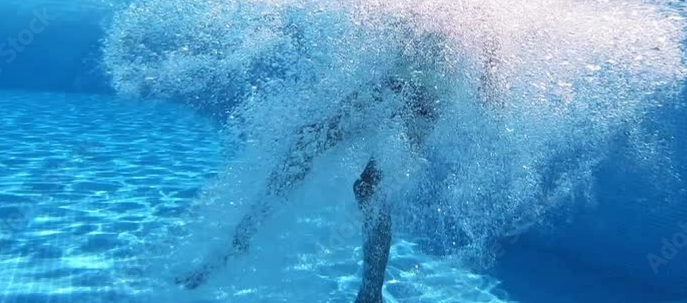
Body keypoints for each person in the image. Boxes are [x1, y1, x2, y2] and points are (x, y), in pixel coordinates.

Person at [176, 28, 496, 303]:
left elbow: (489, 64)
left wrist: (485, 88)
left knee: (368, 188)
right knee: (304, 145)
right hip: (389, 86)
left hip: (424, 105)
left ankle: (371, 295)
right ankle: (235, 247)